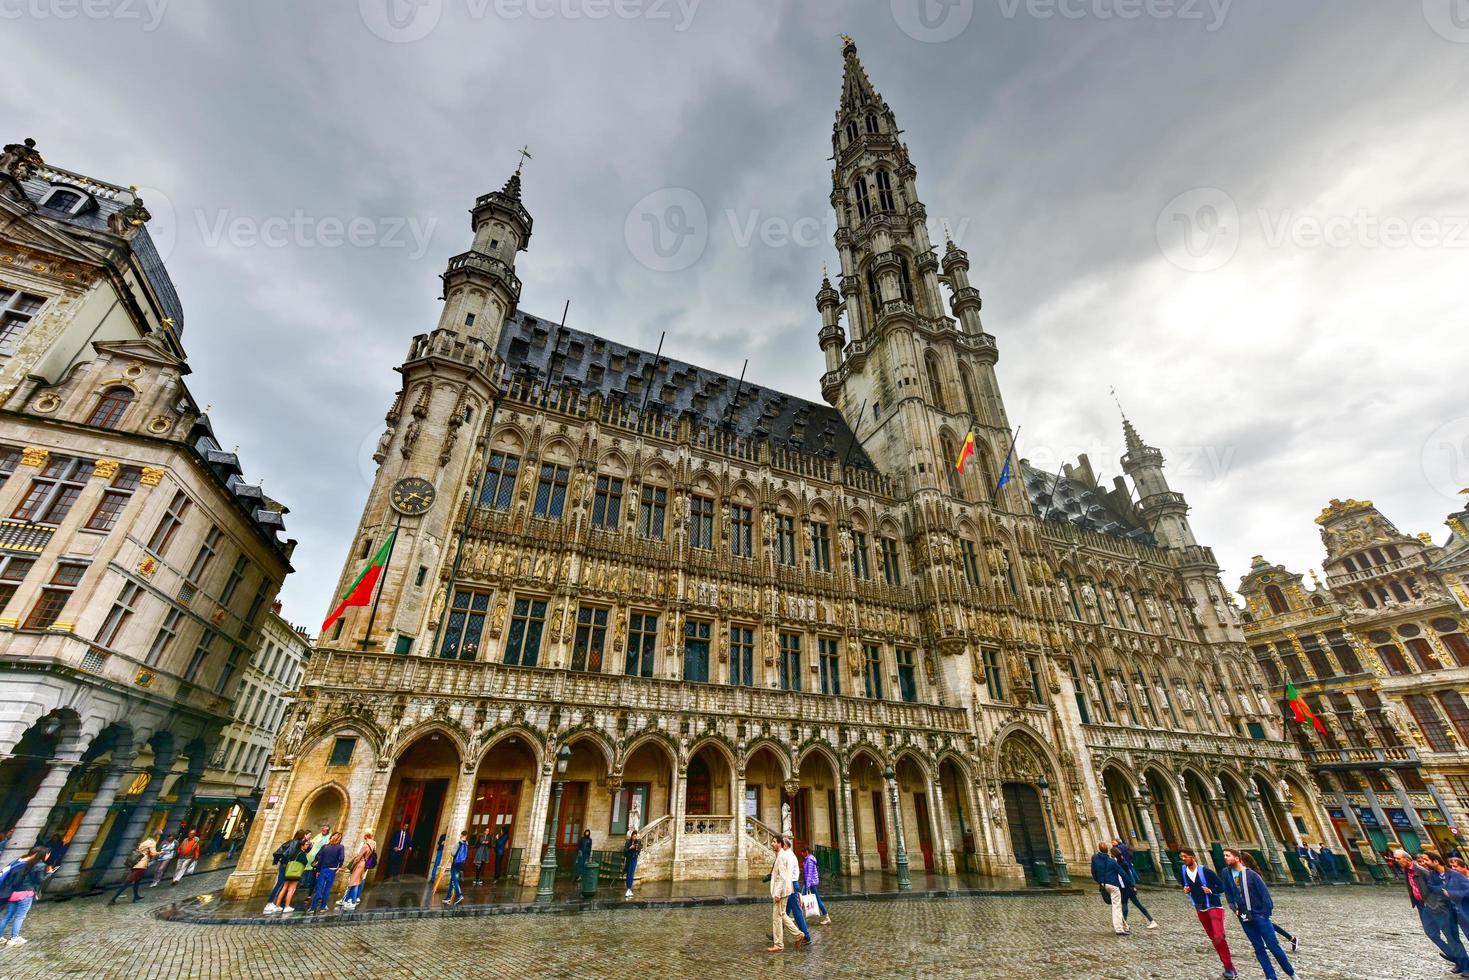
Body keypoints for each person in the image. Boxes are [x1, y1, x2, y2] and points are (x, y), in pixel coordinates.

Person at [1223, 848, 1294, 980]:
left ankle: (1291, 973)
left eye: (1227, 855)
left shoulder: (1252, 875)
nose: (1225, 858)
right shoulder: (1226, 873)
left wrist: (1263, 914)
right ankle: (1271, 977)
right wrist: (1234, 908)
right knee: (1258, 947)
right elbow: (1228, 892)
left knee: (1273, 946)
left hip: (1259, 915)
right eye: (1224, 856)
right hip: (1243, 916)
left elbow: (1266, 897)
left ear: (1237, 858)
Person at [1399, 849, 1469, 973]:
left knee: (1456, 936)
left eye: (1426, 860)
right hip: (1437, 908)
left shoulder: (1452, 874)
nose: (1423, 863)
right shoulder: (1433, 874)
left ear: (1435, 861)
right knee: (1446, 936)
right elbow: (1432, 887)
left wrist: (1450, 893)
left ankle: (1463, 963)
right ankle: (1461, 962)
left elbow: (1466, 891)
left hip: (1454, 909)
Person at [1179, 848, 1235, 979]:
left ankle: (1229, 967)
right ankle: (1228, 967)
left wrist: (1211, 890)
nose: (1183, 859)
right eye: (1181, 857)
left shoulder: (1206, 871)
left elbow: (1221, 886)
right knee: (1214, 940)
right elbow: (1185, 884)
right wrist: (1186, 889)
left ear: (1193, 857)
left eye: (1185, 856)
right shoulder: (1183, 871)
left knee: (1219, 936)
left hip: (1214, 906)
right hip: (1200, 907)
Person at [1238, 853, 1300, 953]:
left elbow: (1262, 893)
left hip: (1257, 906)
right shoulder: (1243, 873)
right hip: (1250, 906)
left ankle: (1289, 939)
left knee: (1266, 924)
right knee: (1261, 924)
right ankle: (1290, 939)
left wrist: (1264, 909)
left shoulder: (1253, 874)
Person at [764, 838, 806, 952]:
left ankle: (778, 944)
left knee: (776, 918)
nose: (772, 844)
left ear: (780, 844)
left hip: (781, 891)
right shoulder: (782, 855)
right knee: (782, 914)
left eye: (774, 842)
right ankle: (798, 935)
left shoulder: (782, 857)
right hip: (785, 890)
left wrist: (777, 893)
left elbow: (782, 876)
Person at [1112, 845, 1157, 930]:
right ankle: (1151, 921)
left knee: (1128, 905)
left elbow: (1129, 875)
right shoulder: (1117, 863)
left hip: (1127, 887)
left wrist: (1132, 885)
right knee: (1131, 905)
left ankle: (1125, 924)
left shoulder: (1123, 863)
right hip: (1123, 887)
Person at [263, 830, 308, 914]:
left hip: (285, 865)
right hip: (287, 866)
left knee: (283, 885)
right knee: (280, 883)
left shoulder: (291, 841)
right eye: (305, 835)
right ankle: (270, 903)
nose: (306, 837)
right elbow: (290, 854)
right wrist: (286, 863)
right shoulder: (295, 843)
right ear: (302, 836)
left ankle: (277, 904)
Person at [107, 834, 158, 905]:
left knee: (137, 881)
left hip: (136, 865)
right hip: (140, 866)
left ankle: (136, 896)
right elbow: (153, 854)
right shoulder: (150, 845)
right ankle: (113, 899)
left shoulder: (143, 844)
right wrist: (160, 852)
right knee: (127, 883)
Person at [1090, 841, 1128, 936]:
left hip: (1103, 884)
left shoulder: (1095, 859)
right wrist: (1131, 884)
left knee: (1116, 905)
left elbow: (1093, 873)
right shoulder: (1111, 860)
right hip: (1113, 884)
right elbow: (1122, 873)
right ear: (1107, 850)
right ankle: (1119, 928)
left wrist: (1100, 882)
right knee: (1116, 906)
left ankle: (1124, 925)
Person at [306, 832, 345, 914]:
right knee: (327, 889)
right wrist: (339, 867)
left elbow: (320, 860)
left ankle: (312, 908)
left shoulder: (326, 847)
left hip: (323, 869)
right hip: (332, 869)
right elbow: (341, 858)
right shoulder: (340, 847)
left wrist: (318, 871)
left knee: (319, 889)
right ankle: (323, 907)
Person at [275, 836, 312, 915]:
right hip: (295, 873)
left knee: (284, 888)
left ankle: (277, 905)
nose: (307, 846)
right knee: (291, 889)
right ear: (302, 845)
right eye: (306, 844)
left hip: (288, 872)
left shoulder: (294, 852)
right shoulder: (302, 854)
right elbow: (304, 862)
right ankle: (287, 906)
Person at [340, 832, 375, 910]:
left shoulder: (365, 845)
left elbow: (358, 857)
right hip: (364, 864)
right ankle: (346, 900)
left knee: (354, 883)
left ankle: (353, 901)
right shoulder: (372, 845)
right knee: (356, 882)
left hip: (360, 864)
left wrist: (352, 865)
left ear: (366, 836)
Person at [799, 845, 831, 925]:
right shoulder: (808, 860)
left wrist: (808, 886)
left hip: (810, 883)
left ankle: (827, 917)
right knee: (801, 899)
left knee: (816, 900)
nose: (802, 854)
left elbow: (809, 874)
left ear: (806, 852)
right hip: (808, 883)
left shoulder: (809, 860)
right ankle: (799, 916)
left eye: (803, 852)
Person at [446, 831, 469, 905]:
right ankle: (447, 897)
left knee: (454, 879)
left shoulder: (458, 843)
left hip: (455, 863)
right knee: (452, 879)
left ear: (462, 835)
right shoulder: (466, 844)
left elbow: (453, 853)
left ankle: (459, 895)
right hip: (461, 863)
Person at [623, 829, 642, 898]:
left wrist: (637, 848)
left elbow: (639, 850)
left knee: (632, 873)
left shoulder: (638, 842)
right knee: (629, 873)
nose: (634, 837)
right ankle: (628, 888)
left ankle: (629, 889)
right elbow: (624, 851)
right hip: (629, 859)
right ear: (631, 836)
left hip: (634, 859)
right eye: (633, 836)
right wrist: (630, 848)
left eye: (635, 836)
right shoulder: (628, 842)